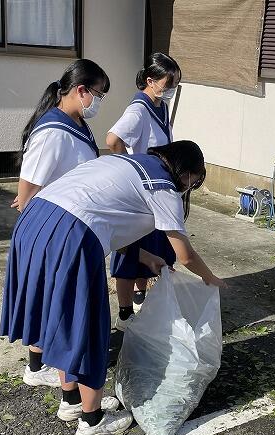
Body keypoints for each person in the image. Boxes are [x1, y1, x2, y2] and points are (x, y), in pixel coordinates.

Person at [0, 140, 226, 435]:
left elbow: (108, 215)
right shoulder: (163, 187)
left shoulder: (128, 163)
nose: (190, 187)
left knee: (59, 315)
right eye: (194, 181)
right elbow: (184, 255)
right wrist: (211, 279)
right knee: (86, 324)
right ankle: (92, 420)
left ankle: (71, 401)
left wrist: (145, 257)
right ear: (187, 174)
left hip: (35, 220)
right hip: (71, 234)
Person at [11, 59, 110, 389]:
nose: (99, 101)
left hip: (64, 224)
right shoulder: (53, 131)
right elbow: (27, 189)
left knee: (47, 300)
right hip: (52, 231)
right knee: (53, 302)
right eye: (99, 94)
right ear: (81, 90)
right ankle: (50, 375)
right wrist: (35, 231)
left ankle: (39, 366)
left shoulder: (77, 122)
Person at [106, 53, 181, 330]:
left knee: (151, 246)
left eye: (176, 83)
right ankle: (125, 314)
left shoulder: (161, 106)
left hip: (157, 190)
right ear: (150, 81)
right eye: (168, 83)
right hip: (139, 191)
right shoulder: (138, 110)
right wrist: (128, 168)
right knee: (131, 250)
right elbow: (113, 139)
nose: (172, 88)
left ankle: (140, 297)